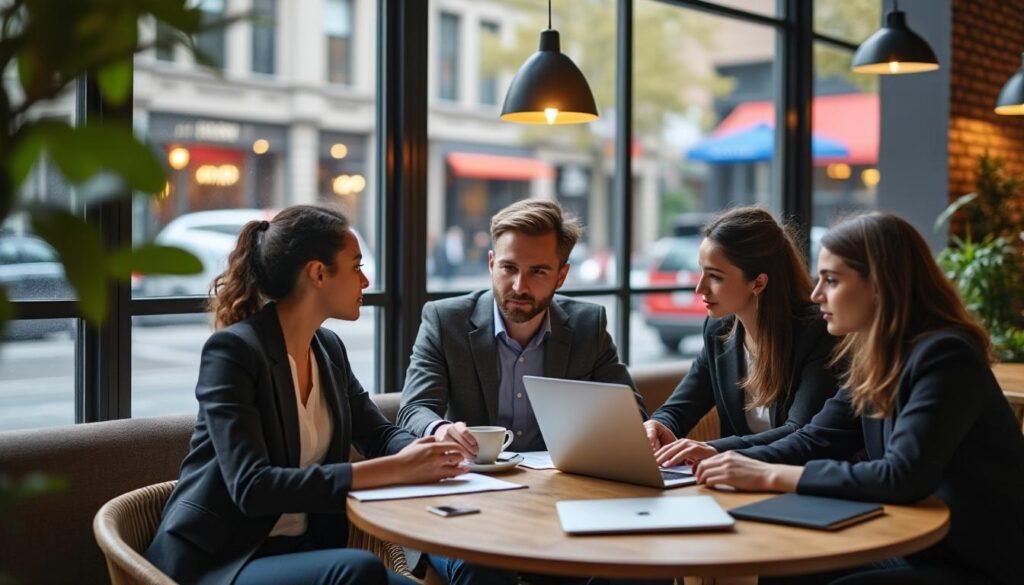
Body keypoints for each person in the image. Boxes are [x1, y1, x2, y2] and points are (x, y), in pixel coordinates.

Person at [143, 205, 472, 585]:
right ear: (318, 274)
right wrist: (396, 469)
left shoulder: (328, 348)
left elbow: (377, 434)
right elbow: (252, 487)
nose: (365, 280)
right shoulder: (233, 352)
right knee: (357, 570)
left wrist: (434, 449)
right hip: (219, 561)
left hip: (300, 553)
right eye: (356, 266)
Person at [695, 212, 1024, 585]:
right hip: (911, 542)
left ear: (880, 285)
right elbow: (816, 438)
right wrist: (719, 458)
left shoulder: (946, 356)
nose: (816, 294)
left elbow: (901, 477)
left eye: (832, 280)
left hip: (972, 559)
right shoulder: (878, 355)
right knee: (785, 567)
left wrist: (768, 475)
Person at [398, 199, 647, 585]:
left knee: (634, 564)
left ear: (561, 276)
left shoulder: (587, 325)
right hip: (466, 503)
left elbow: (632, 412)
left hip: (557, 503)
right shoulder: (446, 321)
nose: (519, 286)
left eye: (538, 272)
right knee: (484, 567)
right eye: (509, 268)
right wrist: (440, 429)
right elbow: (414, 408)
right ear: (491, 263)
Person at [643, 206, 840, 467]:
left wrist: (714, 450)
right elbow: (681, 407)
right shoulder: (718, 330)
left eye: (715, 276)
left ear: (758, 283)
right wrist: (658, 424)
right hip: (735, 479)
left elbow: (800, 432)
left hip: (800, 478)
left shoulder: (818, 333)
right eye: (702, 271)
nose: (700, 288)